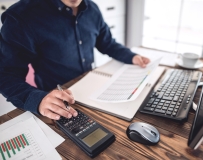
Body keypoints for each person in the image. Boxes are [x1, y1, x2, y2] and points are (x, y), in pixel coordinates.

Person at [0, 0, 150, 120]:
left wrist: (131, 56)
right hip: (57, 102)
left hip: (93, 89)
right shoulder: (21, 17)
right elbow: (6, 75)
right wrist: (38, 100)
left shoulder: (92, 9)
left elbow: (107, 43)